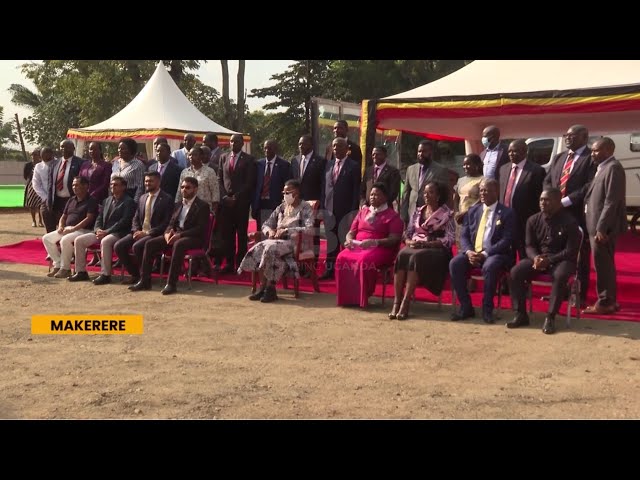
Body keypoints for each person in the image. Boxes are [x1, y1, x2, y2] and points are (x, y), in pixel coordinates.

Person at [508, 188, 580, 334]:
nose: (543, 203)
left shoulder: (570, 222)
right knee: (516, 272)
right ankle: (520, 313)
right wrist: (535, 258)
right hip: (538, 258)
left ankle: (550, 317)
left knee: (560, 276)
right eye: (541, 199)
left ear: (558, 202)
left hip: (562, 259)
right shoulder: (533, 220)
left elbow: (571, 251)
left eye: (547, 200)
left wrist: (549, 260)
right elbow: (529, 245)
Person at [449, 179, 515, 323]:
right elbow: (464, 235)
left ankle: (487, 309)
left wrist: (484, 254)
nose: (483, 193)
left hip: (495, 254)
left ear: (496, 192)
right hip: (473, 252)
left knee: (489, 266)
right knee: (455, 263)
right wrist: (468, 252)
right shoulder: (473, 210)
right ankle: (466, 307)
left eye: (486, 190)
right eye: (481, 190)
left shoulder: (507, 213)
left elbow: (506, 240)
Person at [129, 177, 210, 295]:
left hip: (194, 237)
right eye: (182, 187)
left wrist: (180, 235)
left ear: (195, 189)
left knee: (178, 244)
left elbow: (200, 229)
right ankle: (145, 280)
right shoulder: (178, 205)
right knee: (150, 243)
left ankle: (171, 283)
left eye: (188, 188)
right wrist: (167, 233)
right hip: (175, 234)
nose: (184, 190)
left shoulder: (202, 206)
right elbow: (171, 223)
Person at [543, 124, 595, 305]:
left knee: (579, 255)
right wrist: (550, 199)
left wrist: (565, 201)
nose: (567, 138)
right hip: (556, 214)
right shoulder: (559, 158)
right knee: (557, 251)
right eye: (566, 135)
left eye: (572, 136)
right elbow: (548, 181)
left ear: (584, 137)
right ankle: (560, 291)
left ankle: (579, 296)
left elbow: (589, 185)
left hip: (577, 213)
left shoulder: (590, 158)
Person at [238, 179, 314, 303]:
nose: (285, 195)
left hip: (294, 242)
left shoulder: (305, 207)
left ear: (297, 192)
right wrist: (269, 231)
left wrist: (287, 230)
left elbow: (309, 228)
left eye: (288, 192)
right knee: (261, 247)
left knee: (269, 248)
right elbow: (266, 224)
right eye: (284, 193)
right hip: (275, 241)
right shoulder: (282, 207)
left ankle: (270, 288)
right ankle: (264, 287)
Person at [391, 181, 455, 320]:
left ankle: (405, 303)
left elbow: (450, 239)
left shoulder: (447, 214)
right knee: (402, 254)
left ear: (438, 196)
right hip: (416, 245)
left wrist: (428, 244)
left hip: (436, 250)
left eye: (430, 192)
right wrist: (408, 241)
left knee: (415, 258)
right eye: (425, 193)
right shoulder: (418, 211)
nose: (426, 195)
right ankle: (397, 301)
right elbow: (407, 233)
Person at [336, 183, 403, 308]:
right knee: (341, 257)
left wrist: (375, 242)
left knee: (364, 260)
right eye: (371, 194)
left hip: (381, 248)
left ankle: (362, 296)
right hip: (358, 246)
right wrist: (349, 240)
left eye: (377, 194)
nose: (372, 197)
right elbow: (351, 232)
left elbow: (394, 239)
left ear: (385, 197)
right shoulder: (363, 212)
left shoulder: (393, 216)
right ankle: (348, 298)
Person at [583, 137, 627, 315]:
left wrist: (601, 227)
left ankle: (605, 302)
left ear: (608, 150)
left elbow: (611, 201)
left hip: (603, 228)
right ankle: (610, 300)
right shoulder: (602, 167)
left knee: (603, 266)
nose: (592, 154)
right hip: (596, 225)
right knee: (605, 264)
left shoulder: (613, 168)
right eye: (592, 150)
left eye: (596, 150)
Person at [70, 176, 136, 284]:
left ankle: (106, 274)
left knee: (106, 241)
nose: (112, 187)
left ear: (123, 187)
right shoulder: (107, 200)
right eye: (111, 185)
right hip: (102, 231)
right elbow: (99, 218)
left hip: (118, 232)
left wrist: (108, 231)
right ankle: (81, 272)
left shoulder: (129, 202)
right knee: (79, 240)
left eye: (116, 185)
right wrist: (97, 229)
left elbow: (124, 221)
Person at [114, 171, 174, 285]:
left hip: (156, 234)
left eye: (151, 181)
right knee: (119, 246)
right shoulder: (143, 197)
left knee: (138, 246)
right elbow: (135, 218)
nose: (147, 183)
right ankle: (135, 274)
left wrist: (147, 233)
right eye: (146, 181)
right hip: (140, 232)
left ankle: (145, 278)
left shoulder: (167, 199)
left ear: (158, 182)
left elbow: (167, 223)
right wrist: (136, 230)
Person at [320, 137, 361, 280]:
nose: (336, 149)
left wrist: (353, 212)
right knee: (331, 242)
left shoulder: (354, 166)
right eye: (334, 147)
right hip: (329, 210)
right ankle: (329, 270)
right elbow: (323, 188)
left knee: (345, 241)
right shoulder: (328, 164)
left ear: (346, 148)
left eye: (339, 146)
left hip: (346, 211)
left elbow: (356, 191)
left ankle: (345, 271)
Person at [42, 176, 99, 279]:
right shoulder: (71, 200)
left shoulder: (91, 200)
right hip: (67, 229)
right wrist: (60, 226)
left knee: (65, 239)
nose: (74, 187)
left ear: (85, 186)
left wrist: (73, 229)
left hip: (83, 231)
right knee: (47, 238)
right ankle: (58, 264)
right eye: (73, 185)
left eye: (77, 185)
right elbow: (63, 216)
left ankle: (65, 269)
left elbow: (89, 219)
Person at [498, 139, 546, 260]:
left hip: (525, 220)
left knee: (524, 253)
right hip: (505, 220)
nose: (511, 154)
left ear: (525, 152)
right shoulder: (503, 169)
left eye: (515, 151)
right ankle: (507, 277)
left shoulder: (536, 170)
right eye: (509, 151)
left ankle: (524, 278)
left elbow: (538, 197)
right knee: (506, 254)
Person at [217, 133, 257, 273]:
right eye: (231, 141)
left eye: (236, 142)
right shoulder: (223, 157)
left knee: (241, 234)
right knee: (227, 234)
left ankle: (241, 263)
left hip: (241, 203)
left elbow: (249, 182)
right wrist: (224, 197)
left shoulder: (249, 159)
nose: (233, 144)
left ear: (242, 143)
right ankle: (229, 263)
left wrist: (236, 197)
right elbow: (219, 179)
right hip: (226, 204)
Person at [400, 140, 449, 224]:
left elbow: (445, 195)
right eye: (419, 151)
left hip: (431, 214)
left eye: (424, 151)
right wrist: (403, 215)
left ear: (431, 152)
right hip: (412, 213)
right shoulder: (411, 169)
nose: (420, 154)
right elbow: (406, 193)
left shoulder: (441, 170)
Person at [252, 139, 292, 231]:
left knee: (274, 232)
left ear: (275, 149)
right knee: (262, 232)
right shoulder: (258, 164)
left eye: (269, 148)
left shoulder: (284, 165)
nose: (267, 150)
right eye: (265, 148)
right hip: (261, 204)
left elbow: (287, 186)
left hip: (275, 205)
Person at [49, 139, 85, 229]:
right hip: (57, 200)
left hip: (72, 199)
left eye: (67, 147)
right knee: (59, 225)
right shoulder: (55, 163)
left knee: (69, 224)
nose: (64, 149)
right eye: (62, 147)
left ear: (73, 148)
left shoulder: (80, 163)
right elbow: (50, 182)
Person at [110, 137, 146, 203]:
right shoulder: (116, 163)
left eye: (123, 149)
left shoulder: (138, 165)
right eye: (119, 148)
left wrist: (135, 203)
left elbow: (140, 187)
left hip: (129, 199)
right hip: (115, 200)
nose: (119, 150)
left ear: (130, 150)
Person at [79, 141, 112, 206]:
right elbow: (79, 179)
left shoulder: (106, 165)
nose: (92, 151)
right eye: (90, 149)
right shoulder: (84, 164)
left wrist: (92, 194)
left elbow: (105, 184)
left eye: (95, 149)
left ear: (100, 151)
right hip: (83, 198)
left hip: (98, 199)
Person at [32, 147, 56, 232]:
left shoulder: (59, 163)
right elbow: (36, 184)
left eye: (47, 153)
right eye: (43, 154)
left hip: (60, 198)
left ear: (52, 154)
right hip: (46, 198)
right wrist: (45, 197)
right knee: (47, 218)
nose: (45, 156)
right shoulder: (38, 167)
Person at [24, 148, 43, 227]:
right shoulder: (28, 165)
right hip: (31, 186)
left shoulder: (42, 164)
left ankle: (40, 221)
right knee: (32, 204)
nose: (34, 156)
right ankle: (34, 221)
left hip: (41, 186)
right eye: (32, 155)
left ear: (39, 156)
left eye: (36, 155)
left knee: (40, 204)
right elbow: (25, 176)